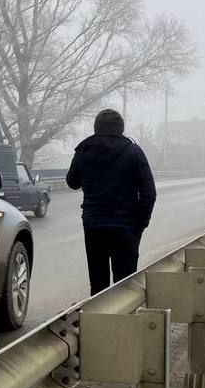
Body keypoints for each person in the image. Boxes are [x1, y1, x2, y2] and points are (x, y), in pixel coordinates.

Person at [67, 109, 156, 296]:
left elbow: (72, 182)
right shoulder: (133, 151)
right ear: (121, 128)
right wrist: (140, 223)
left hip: (94, 224)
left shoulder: (84, 150)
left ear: (96, 127)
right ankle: (123, 321)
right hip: (126, 226)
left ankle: (99, 322)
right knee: (125, 285)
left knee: (98, 282)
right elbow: (149, 193)